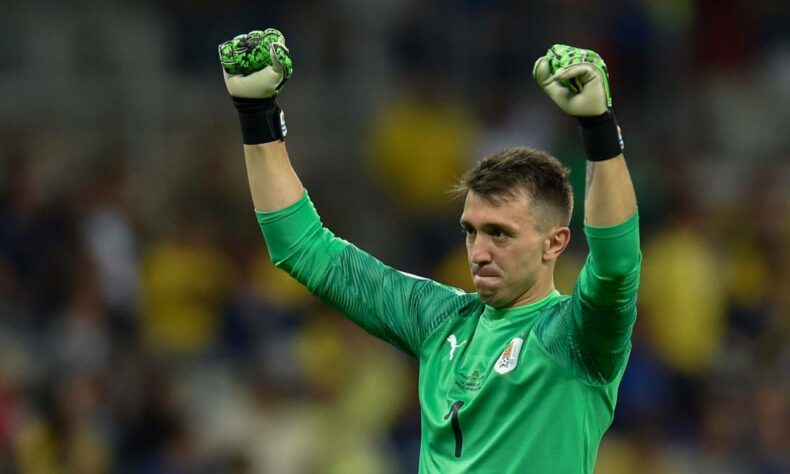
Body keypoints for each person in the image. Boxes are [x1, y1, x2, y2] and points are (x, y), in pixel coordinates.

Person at [218, 30, 641, 473]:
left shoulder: (575, 337)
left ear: (554, 242)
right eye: (470, 232)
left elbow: (617, 267)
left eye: (499, 234)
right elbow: (301, 247)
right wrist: (255, 113)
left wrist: (598, 127)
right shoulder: (439, 319)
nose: (478, 252)